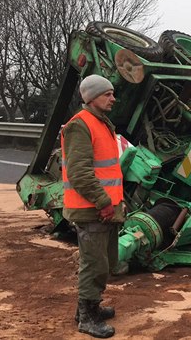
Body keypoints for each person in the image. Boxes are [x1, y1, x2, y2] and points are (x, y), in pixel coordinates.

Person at [61, 74, 125, 338]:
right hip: (92, 209)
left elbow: (107, 170)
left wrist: (117, 201)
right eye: (107, 94)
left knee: (104, 261)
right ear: (91, 97)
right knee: (93, 264)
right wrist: (102, 202)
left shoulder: (101, 123)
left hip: (104, 207)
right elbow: (79, 172)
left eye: (112, 93)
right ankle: (87, 318)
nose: (113, 98)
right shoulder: (81, 125)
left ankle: (88, 309)